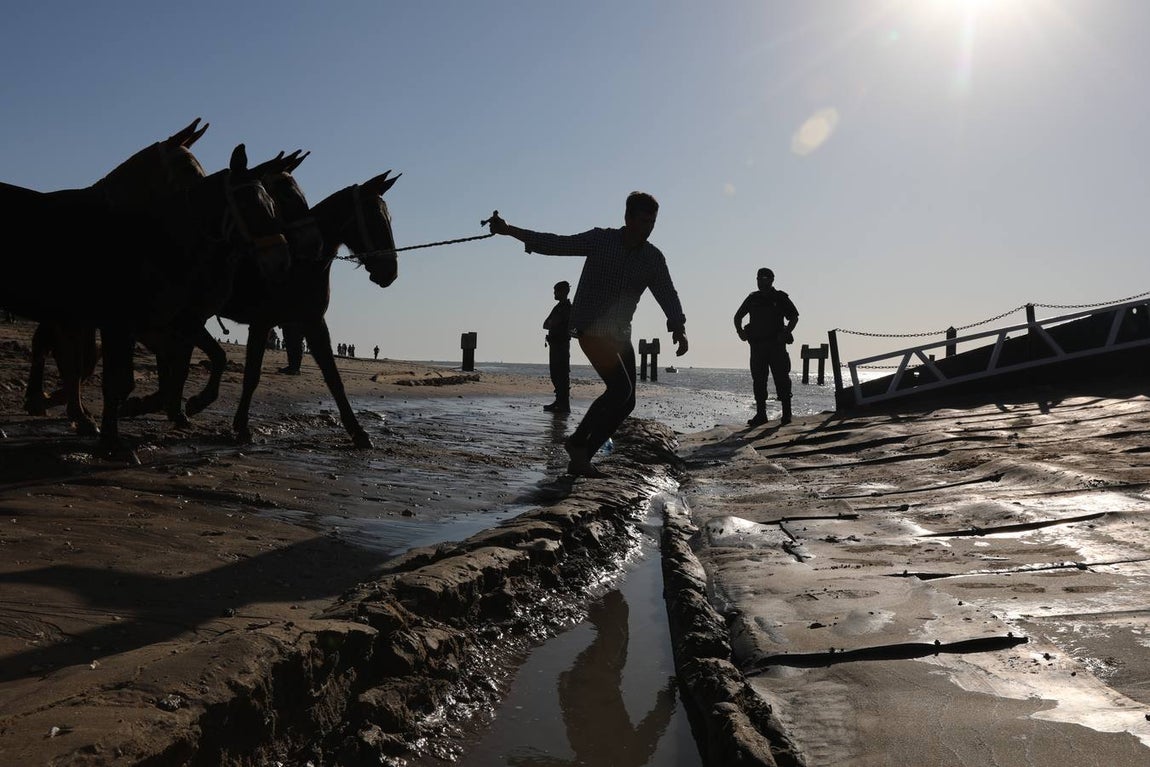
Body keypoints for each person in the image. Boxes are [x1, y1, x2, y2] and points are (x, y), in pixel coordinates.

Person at [486, 191, 688, 477]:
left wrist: (678, 327)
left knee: (627, 401)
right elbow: (556, 244)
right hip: (590, 330)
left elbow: (667, 292)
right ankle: (578, 443)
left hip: (621, 334)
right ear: (627, 218)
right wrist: (509, 231)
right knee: (620, 390)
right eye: (644, 221)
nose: (649, 227)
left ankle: (581, 457)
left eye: (653, 222)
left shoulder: (652, 258)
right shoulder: (600, 240)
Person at [733, 267, 799, 427]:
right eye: (758, 279)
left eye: (764, 278)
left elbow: (794, 317)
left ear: (771, 280)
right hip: (757, 346)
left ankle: (787, 414)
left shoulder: (780, 297)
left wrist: (786, 333)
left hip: (776, 346)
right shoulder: (752, 298)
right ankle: (761, 414)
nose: (761, 282)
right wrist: (740, 331)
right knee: (758, 381)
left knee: (782, 379)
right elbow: (737, 317)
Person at [543, 280, 572, 413]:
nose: (554, 293)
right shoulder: (558, 307)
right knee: (555, 374)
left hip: (561, 345)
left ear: (564, 291)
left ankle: (563, 404)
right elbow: (546, 324)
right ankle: (559, 401)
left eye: (557, 291)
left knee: (561, 374)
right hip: (555, 344)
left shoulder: (566, 307)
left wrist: (553, 323)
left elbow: (552, 322)